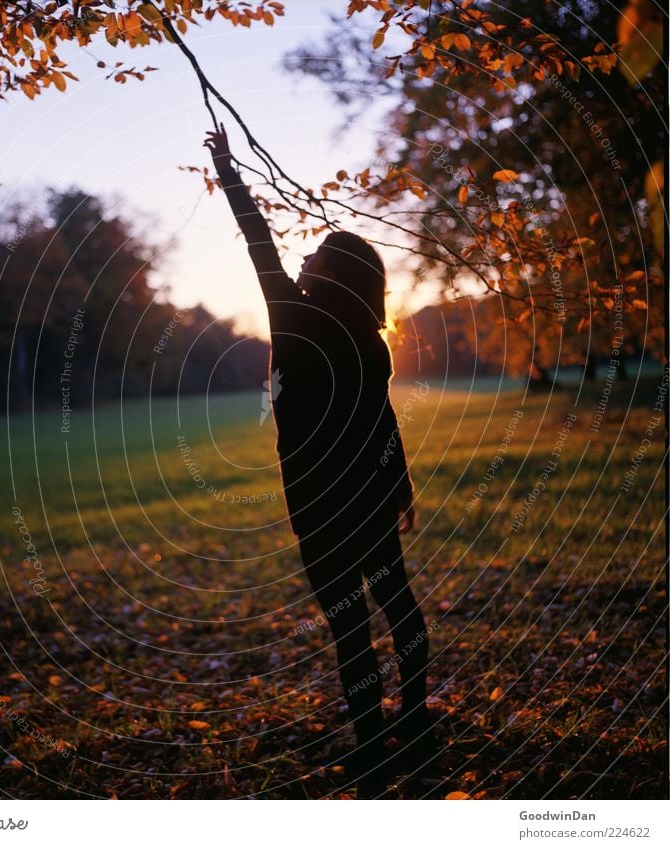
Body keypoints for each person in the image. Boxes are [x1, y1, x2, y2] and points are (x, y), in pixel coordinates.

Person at [204, 124, 433, 788]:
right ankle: (414, 716)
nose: (301, 262)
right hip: (367, 494)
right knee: (398, 604)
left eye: (314, 257)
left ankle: (372, 743)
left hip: (316, 503)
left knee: (350, 627)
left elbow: (257, 239)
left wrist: (227, 167)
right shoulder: (370, 336)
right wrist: (400, 485)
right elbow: (380, 420)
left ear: (329, 270)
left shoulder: (293, 314)